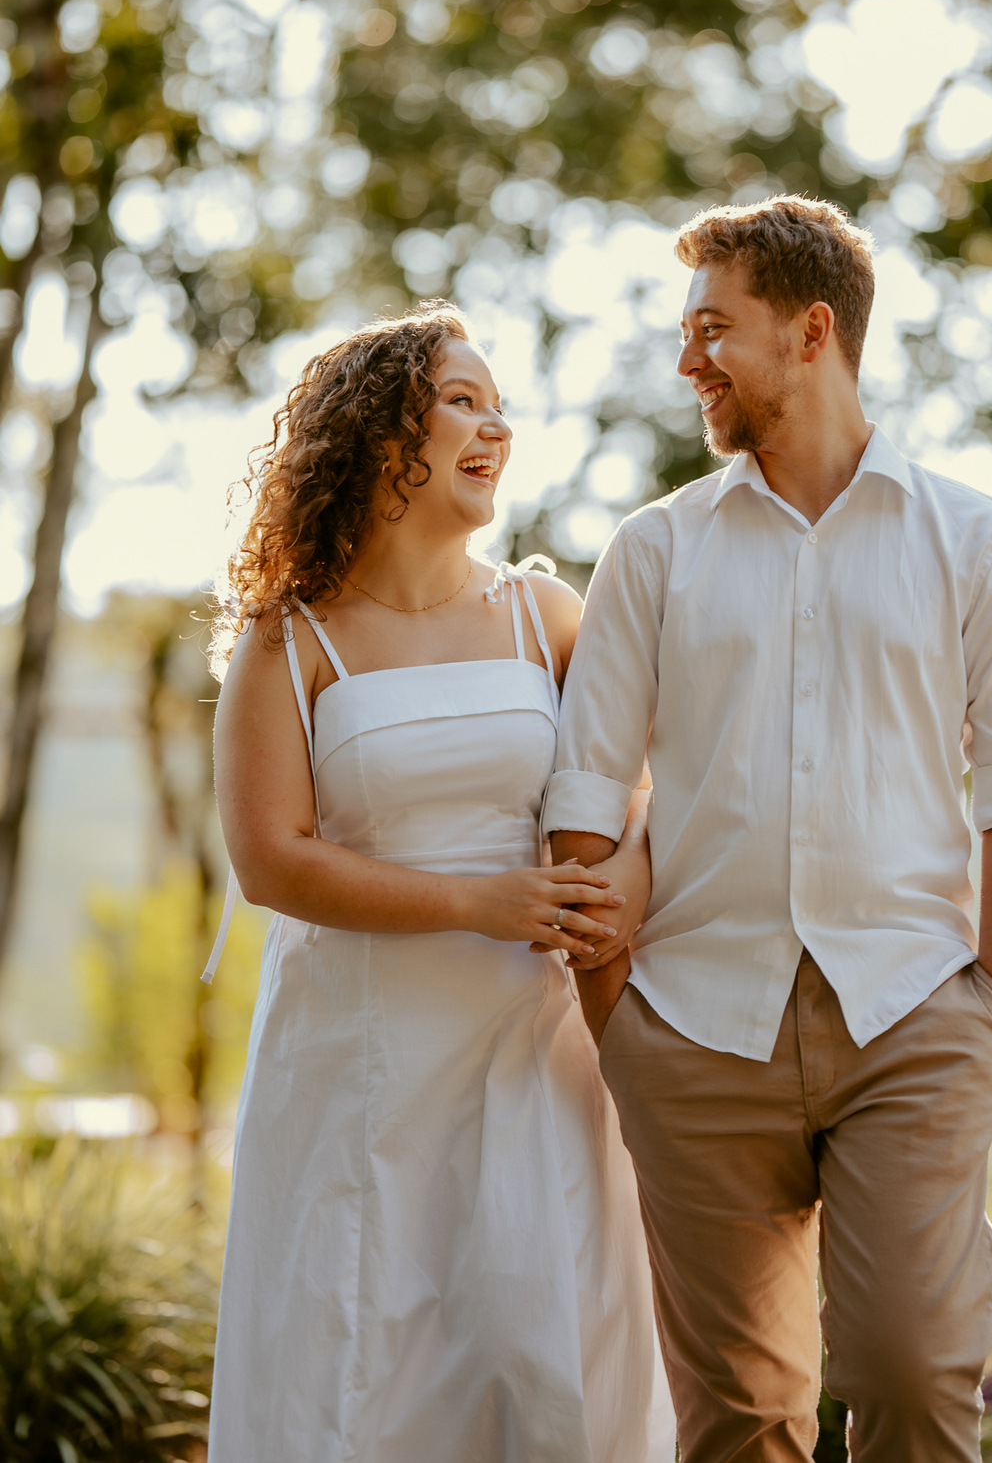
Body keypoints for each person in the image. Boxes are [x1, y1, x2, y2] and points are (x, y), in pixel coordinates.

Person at [543, 196, 992, 1463]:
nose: (687, 360)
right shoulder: (654, 551)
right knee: (738, 1422)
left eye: (712, 328)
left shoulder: (978, 543)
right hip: (692, 1029)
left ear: (810, 331)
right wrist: (619, 1015)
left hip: (914, 1015)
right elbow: (584, 794)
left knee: (912, 1376)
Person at [205, 305, 673, 1462]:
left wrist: (623, 893)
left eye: (497, 405)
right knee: (363, 1354)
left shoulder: (545, 617)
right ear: (374, 437)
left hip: (538, 1049)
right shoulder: (290, 641)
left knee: (544, 1334)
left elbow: (647, 799)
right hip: (359, 1066)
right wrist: (477, 903)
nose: (495, 425)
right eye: (462, 400)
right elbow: (272, 858)